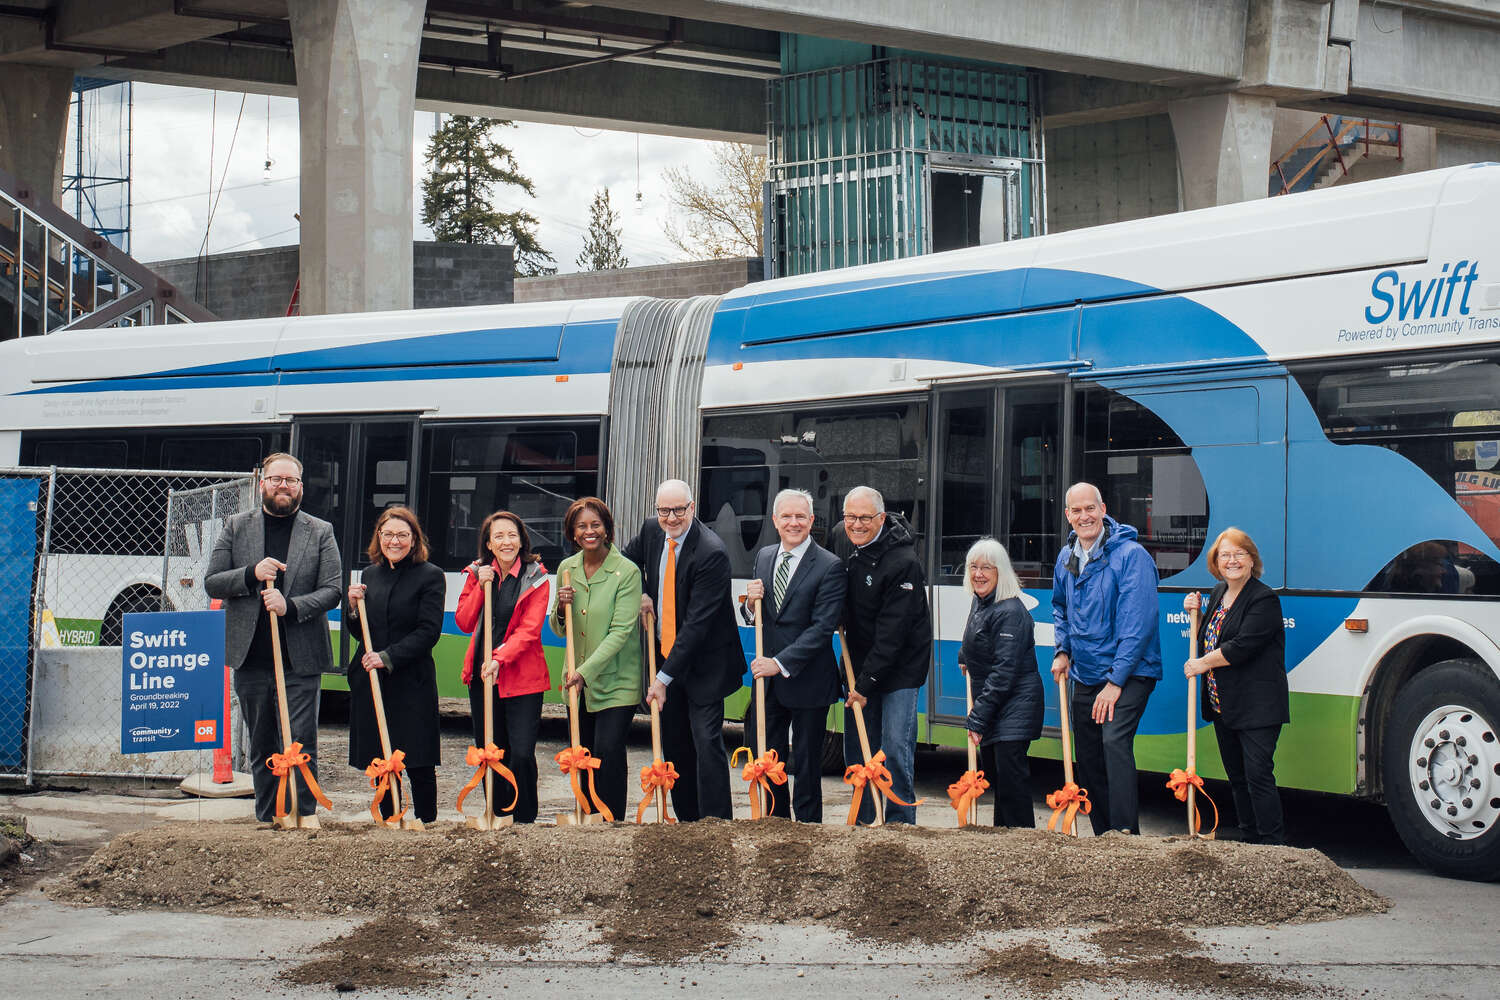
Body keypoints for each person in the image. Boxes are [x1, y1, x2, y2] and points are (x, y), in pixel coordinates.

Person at [205, 453, 341, 823]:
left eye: (291, 480)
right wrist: (251, 573)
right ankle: (268, 817)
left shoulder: (320, 531)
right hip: (251, 657)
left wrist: (290, 606)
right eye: (276, 479)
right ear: (262, 483)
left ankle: (302, 814)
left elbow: (332, 590)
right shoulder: (236, 526)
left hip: (301, 657)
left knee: (299, 741)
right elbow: (213, 580)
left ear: (300, 486)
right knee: (263, 742)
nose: (284, 486)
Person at [623, 479, 742, 821]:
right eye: (664, 510)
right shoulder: (650, 531)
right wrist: (641, 592)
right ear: (656, 510)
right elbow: (625, 565)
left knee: (706, 742)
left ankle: (716, 822)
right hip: (666, 654)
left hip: (706, 663)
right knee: (675, 743)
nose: (671, 518)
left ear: (692, 507)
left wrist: (661, 679)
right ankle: (688, 821)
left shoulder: (711, 552)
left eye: (678, 510)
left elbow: (695, 626)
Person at [1050, 482, 1161, 835]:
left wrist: (1115, 682)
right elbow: (1060, 608)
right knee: (1089, 754)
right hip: (1085, 672)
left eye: (1090, 509)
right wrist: (1063, 649)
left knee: (1113, 742)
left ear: (1103, 509)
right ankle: (1103, 837)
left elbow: (1137, 626)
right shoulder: (1066, 557)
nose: (1084, 516)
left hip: (1129, 673)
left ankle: (1125, 834)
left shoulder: (1131, 557)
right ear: (1068, 515)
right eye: (1076, 510)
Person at [740, 488, 847, 823]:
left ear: (812, 521)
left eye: (801, 516)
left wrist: (779, 663)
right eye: (786, 516)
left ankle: (808, 828)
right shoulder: (765, 556)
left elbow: (821, 628)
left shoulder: (830, 566)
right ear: (775, 520)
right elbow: (758, 617)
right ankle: (775, 822)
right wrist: (747, 604)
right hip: (769, 684)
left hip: (808, 680)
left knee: (806, 762)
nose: (793, 522)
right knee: (769, 758)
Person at [1183, 527, 1290, 844]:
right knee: (1238, 777)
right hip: (1224, 704)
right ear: (1216, 561)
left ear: (1251, 559)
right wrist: (1196, 616)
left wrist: (1203, 664)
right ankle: (1248, 837)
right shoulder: (1218, 593)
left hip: (1257, 705)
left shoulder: (1264, 598)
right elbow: (1209, 638)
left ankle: (1272, 844)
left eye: (1239, 554)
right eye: (1225, 555)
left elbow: (1243, 646)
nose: (1232, 561)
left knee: (1258, 775)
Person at [344, 506, 445, 824]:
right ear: (379, 537)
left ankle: (427, 822)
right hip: (373, 682)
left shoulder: (430, 575)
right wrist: (352, 609)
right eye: (388, 534)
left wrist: (387, 658)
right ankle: (389, 820)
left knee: (417, 759)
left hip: (411, 681)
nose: (394, 541)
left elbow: (428, 632)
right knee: (381, 758)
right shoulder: (370, 575)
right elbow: (363, 632)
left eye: (402, 535)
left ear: (414, 539)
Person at [837, 485, 930, 825]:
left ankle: (899, 822)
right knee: (859, 749)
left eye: (864, 518)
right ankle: (864, 817)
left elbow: (893, 633)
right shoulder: (847, 544)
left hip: (899, 670)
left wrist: (866, 683)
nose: (856, 524)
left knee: (893, 745)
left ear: (881, 517)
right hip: (859, 665)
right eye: (850, 517)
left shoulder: (903, 562)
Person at [454, 510, 550, 823]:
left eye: (512, 535)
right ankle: (496, 814)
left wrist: (500, 658)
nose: (506, 541)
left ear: (522, 540)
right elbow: (464, 621)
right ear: (489, 543)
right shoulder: (477, 573)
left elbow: (530, 630)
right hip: (483, 678)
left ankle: (524, 819)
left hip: (522, 677)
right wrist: (481, 588)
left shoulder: (536, 576)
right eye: (499, 536)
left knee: (521, 752)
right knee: (491, 750)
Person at [553, 496, 643, 821]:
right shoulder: (567, 569)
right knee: (583, 750)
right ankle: (587, 815)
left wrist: (584, 672)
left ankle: (612, 818)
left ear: (607, 529)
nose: (589, 531)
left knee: (607, 749)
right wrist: (561, 609)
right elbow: (559, 627)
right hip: (577, 682)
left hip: (616, 680)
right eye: (582, 526)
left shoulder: (627, 572)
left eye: (595, 525)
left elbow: (620, 632)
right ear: (572, 533)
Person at [960, 537, 1043, 828]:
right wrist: (963, 656)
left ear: (1001, 573)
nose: (978, 574)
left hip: (1014, 706)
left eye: (986, 568)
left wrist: (977, 718)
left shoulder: (1010, 611)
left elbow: (1003, 672)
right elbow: (976, 635)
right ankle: (1003, 837)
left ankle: (1023, 842)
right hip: (999, 706)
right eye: (973, 567)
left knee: (1011, 780)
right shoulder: (982, 601)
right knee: (999, 777)